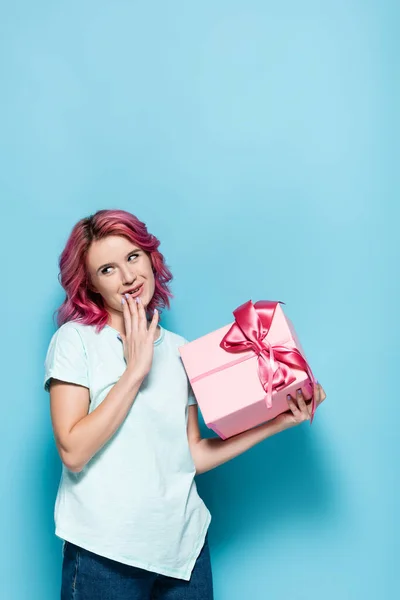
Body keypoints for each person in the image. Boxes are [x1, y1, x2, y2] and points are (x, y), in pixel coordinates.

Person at [43, 209, 327, 600]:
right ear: (90, 285)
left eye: (132, 257)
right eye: (107, 269)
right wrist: (135, 372)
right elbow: (73, 451)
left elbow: (192, 454)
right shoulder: (75, 342)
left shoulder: (181, 351)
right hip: (104, 553)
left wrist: (278, 421)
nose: (127, 277)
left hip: (184, 553)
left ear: (149, 257)